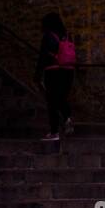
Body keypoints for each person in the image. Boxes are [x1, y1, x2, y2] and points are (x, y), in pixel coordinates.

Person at [34, 12, 75, 141]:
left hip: (53, 71)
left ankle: (54, 132)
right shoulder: (67, 35)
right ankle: (67, 117)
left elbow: (43, 56)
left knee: (52, 101)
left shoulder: (48, 36)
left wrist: (37, 74)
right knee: (61, 98)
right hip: (68, 71)